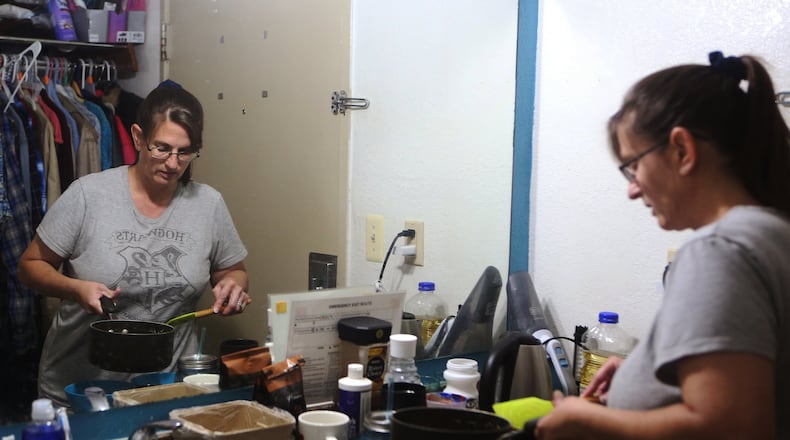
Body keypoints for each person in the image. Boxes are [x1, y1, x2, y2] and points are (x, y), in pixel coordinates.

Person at [535, 52, 790, 439]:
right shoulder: (773, 233)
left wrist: (583, 418)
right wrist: (646, 375)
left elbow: (731, 426)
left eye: (634, 166)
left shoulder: (719, 251)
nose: (633, 190)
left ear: (682, 150)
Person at [18, 81, 250, 408]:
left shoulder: (208, 204)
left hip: (164, 388)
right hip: (83, 388)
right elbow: (30, 266)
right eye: (162, 148)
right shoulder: (89, 195)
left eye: (185, 152)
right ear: (138, 137)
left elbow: (233, 271)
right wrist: (75, 289)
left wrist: (232, 287)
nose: (173, 163)